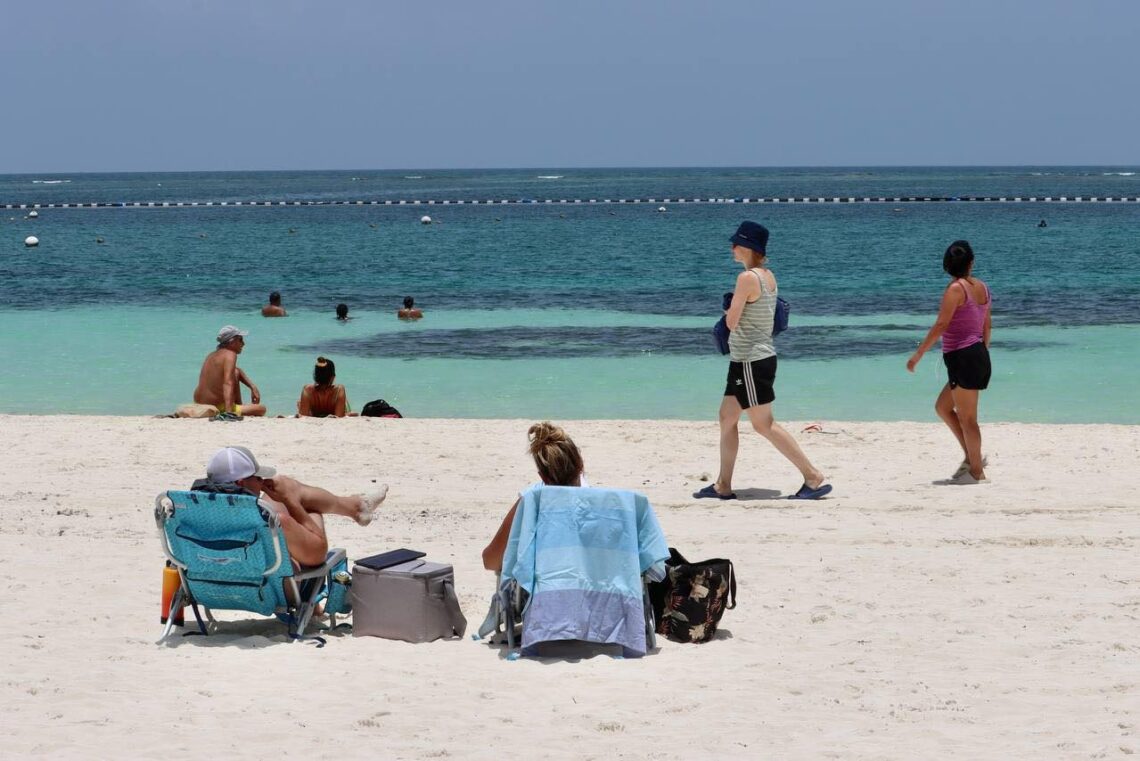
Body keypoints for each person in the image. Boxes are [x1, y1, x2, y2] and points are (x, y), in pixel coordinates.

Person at [694, 221, 832, 501]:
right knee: (727, 417)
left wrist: (729, 307)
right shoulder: (768, 276)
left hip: (751, 361)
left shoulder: (746, 279)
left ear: (748, 247)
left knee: (763, 424)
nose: (732, 248)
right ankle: (723, 485)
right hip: (748, 359)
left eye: (736, 244)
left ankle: (813, 477)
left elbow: (732, 322)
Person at [192, 446, 388, 567]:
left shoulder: (194, 513)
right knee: (308, 507)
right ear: (242, 483)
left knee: (287, 490)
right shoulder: (270, 521)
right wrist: (290, 501)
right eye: (258, 477)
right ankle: (356, 507)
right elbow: (318, 553)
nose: (262, 481)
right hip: (270, 586)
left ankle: (357, 506)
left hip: (214, 581)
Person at [907, 240, 992, 484]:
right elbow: (987, 325)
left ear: (946, 265)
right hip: (975, 354)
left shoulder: (956, 289)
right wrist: (980, 353)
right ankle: (971, 457)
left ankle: (976, 472)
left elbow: (942, 324)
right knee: (943, 408)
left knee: (968, 419)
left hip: (964, 357)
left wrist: (918, 354)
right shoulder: (983, 288)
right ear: (971, 263)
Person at [482, 422, 586, 572]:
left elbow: (490, 561)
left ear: (543, 477)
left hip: (542, 594)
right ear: (581, 465)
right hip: (592, 595)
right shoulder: (603, 506)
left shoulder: (531, 503)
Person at [193, 325, 268, 417]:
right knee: (261, 409)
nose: (243, 344)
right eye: (240, 340)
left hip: (200, 403)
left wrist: (252, 387)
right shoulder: (230, 354)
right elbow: (228, 382)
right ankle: (231, 409)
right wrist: (228, 413)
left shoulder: (211, 355)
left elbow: (236, 371)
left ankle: (236, 407)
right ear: (231, 341)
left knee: (235, 372)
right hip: (217, 406)